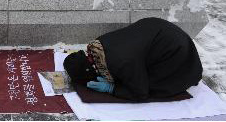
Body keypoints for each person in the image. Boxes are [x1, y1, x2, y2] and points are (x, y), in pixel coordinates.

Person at [63, 17, 203, 101]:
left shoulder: (122, 63)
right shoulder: (100, 43)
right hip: (164, 34)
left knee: (149, 87)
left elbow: (140, 93)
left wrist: (112, 88)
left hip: (179, 58)